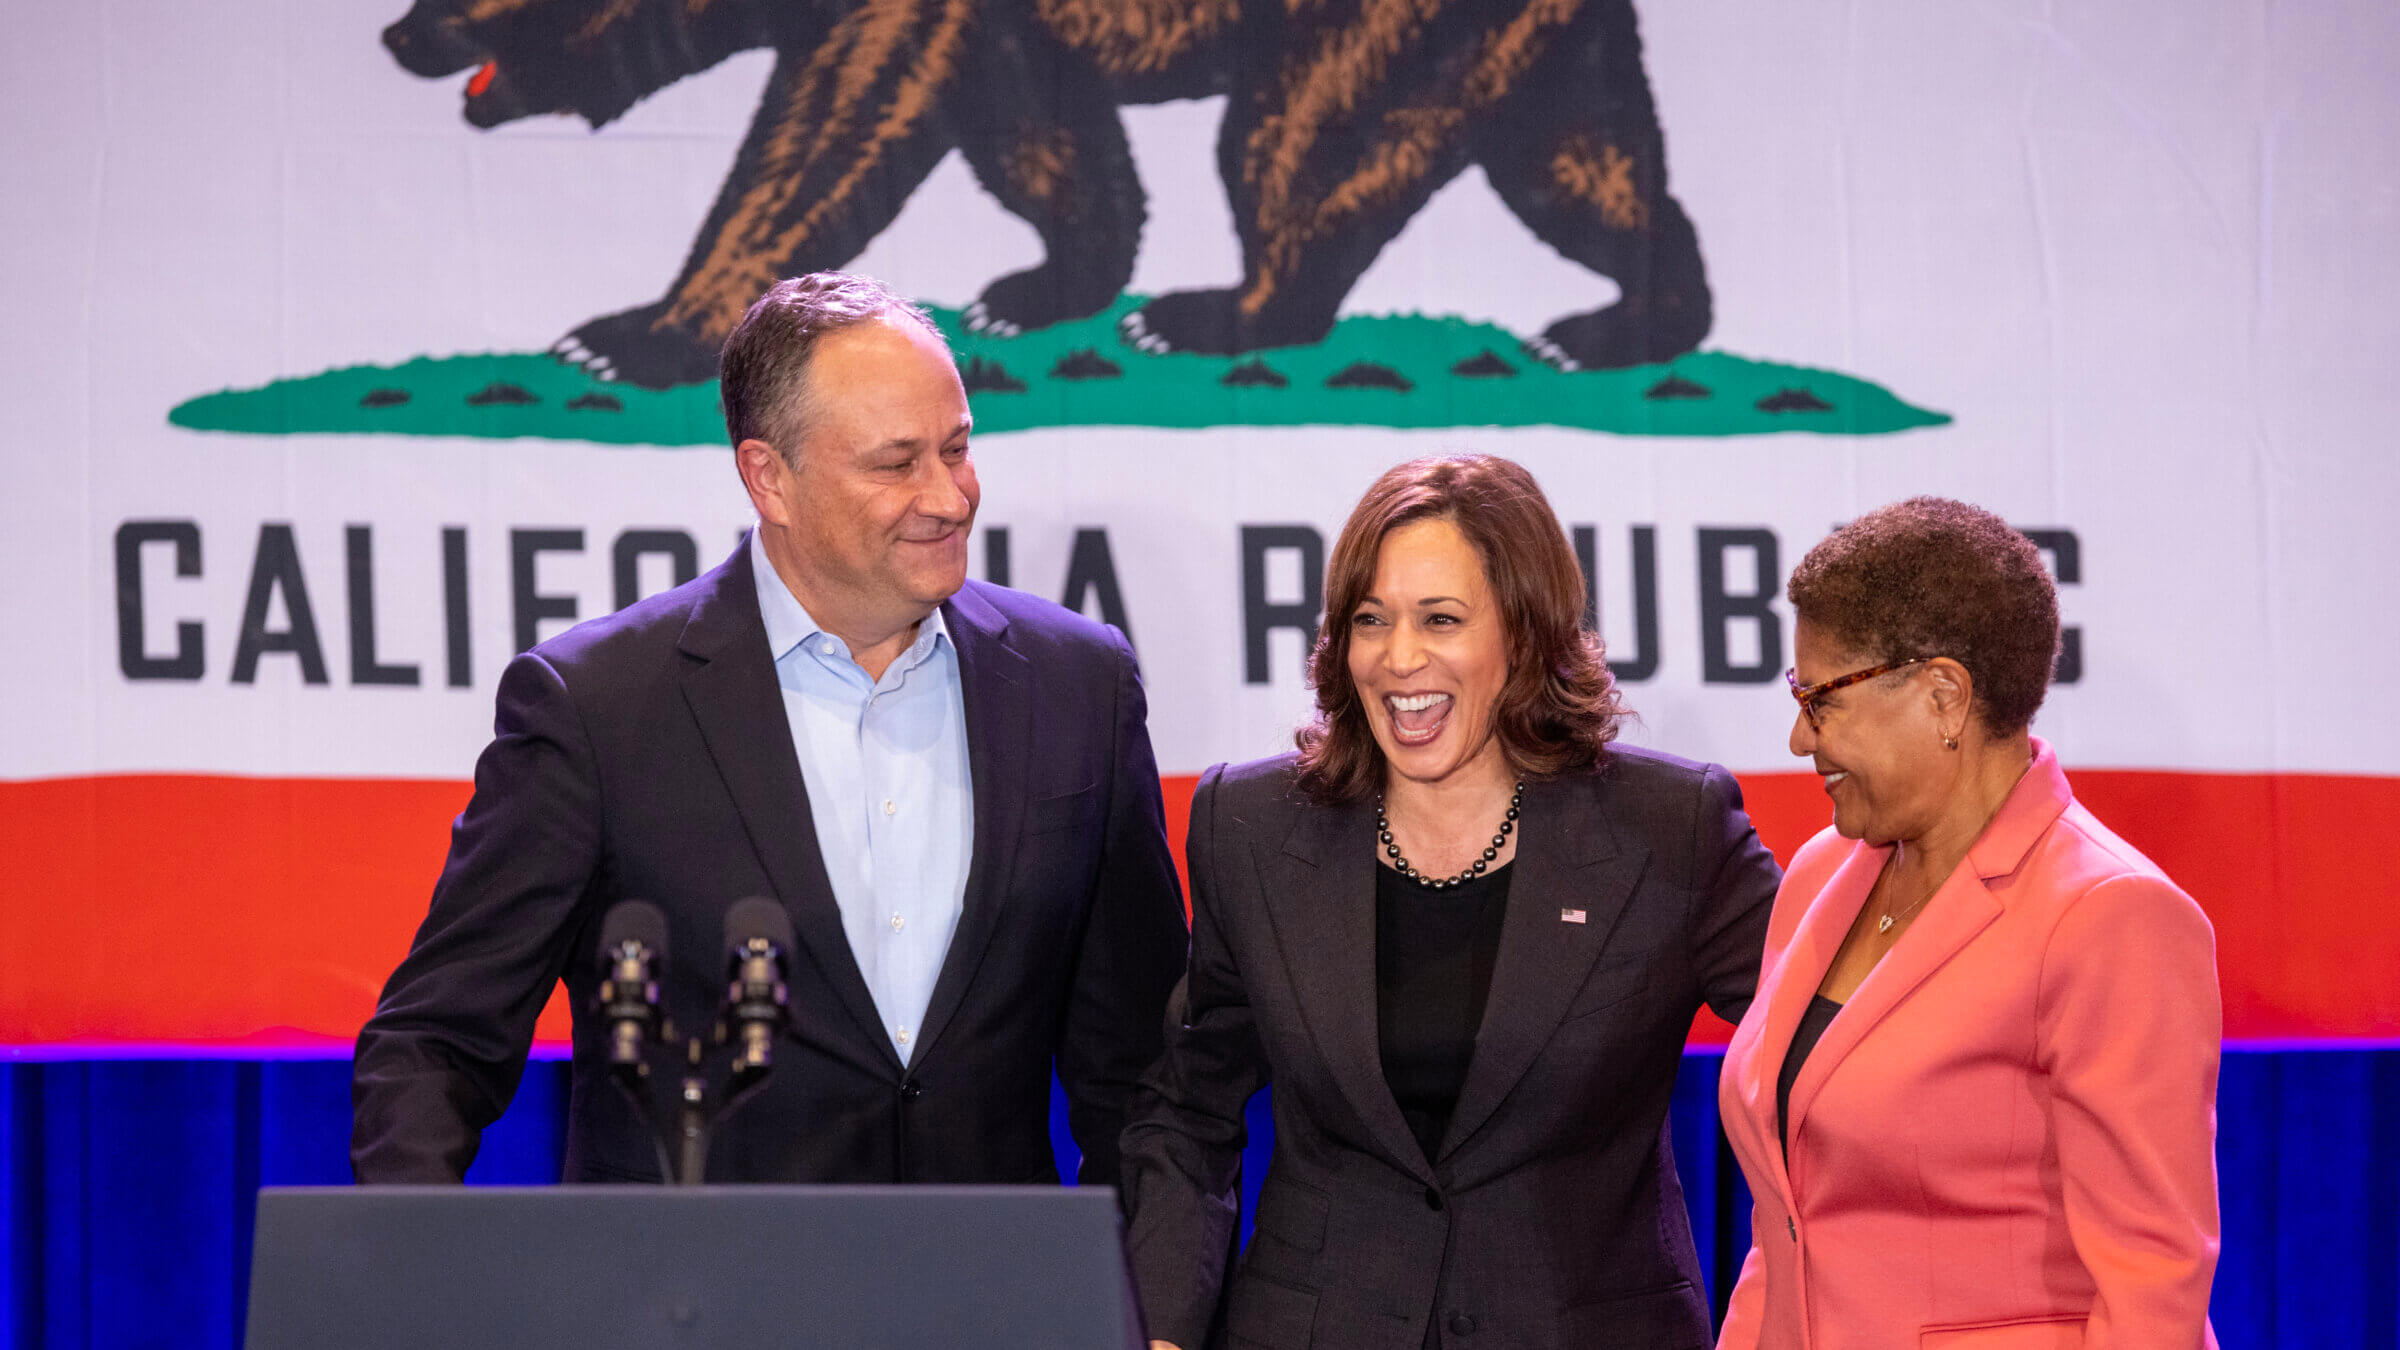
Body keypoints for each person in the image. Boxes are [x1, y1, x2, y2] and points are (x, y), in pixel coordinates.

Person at [351, 272, 1188, 1187]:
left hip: (994, 1307)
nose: (949, 497)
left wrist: (1151, 1314)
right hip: (692, 1313)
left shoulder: (1078, 685)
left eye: (957, 449)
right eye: (897, 463)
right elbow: (437, 1043)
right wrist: (408, 1280)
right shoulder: (597, 709)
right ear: (769, 478)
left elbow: (1147, 1075)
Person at [1121, 454, 1782, 1350]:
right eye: (1369, 620)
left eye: (1441, 619)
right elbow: (1188, 1109)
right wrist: (1160, 1329)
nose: (1399, 660)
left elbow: (1827, 1072)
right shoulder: (1250, 828)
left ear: (1527, 631)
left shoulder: (1672, 828)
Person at [1716, 497, 2221, 1349]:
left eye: (1821, 698)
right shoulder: (1817, 879)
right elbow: (1788, 1224)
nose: (1801, 738)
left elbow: (2152, 1290)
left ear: (1944, 695)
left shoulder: (2111, 917)